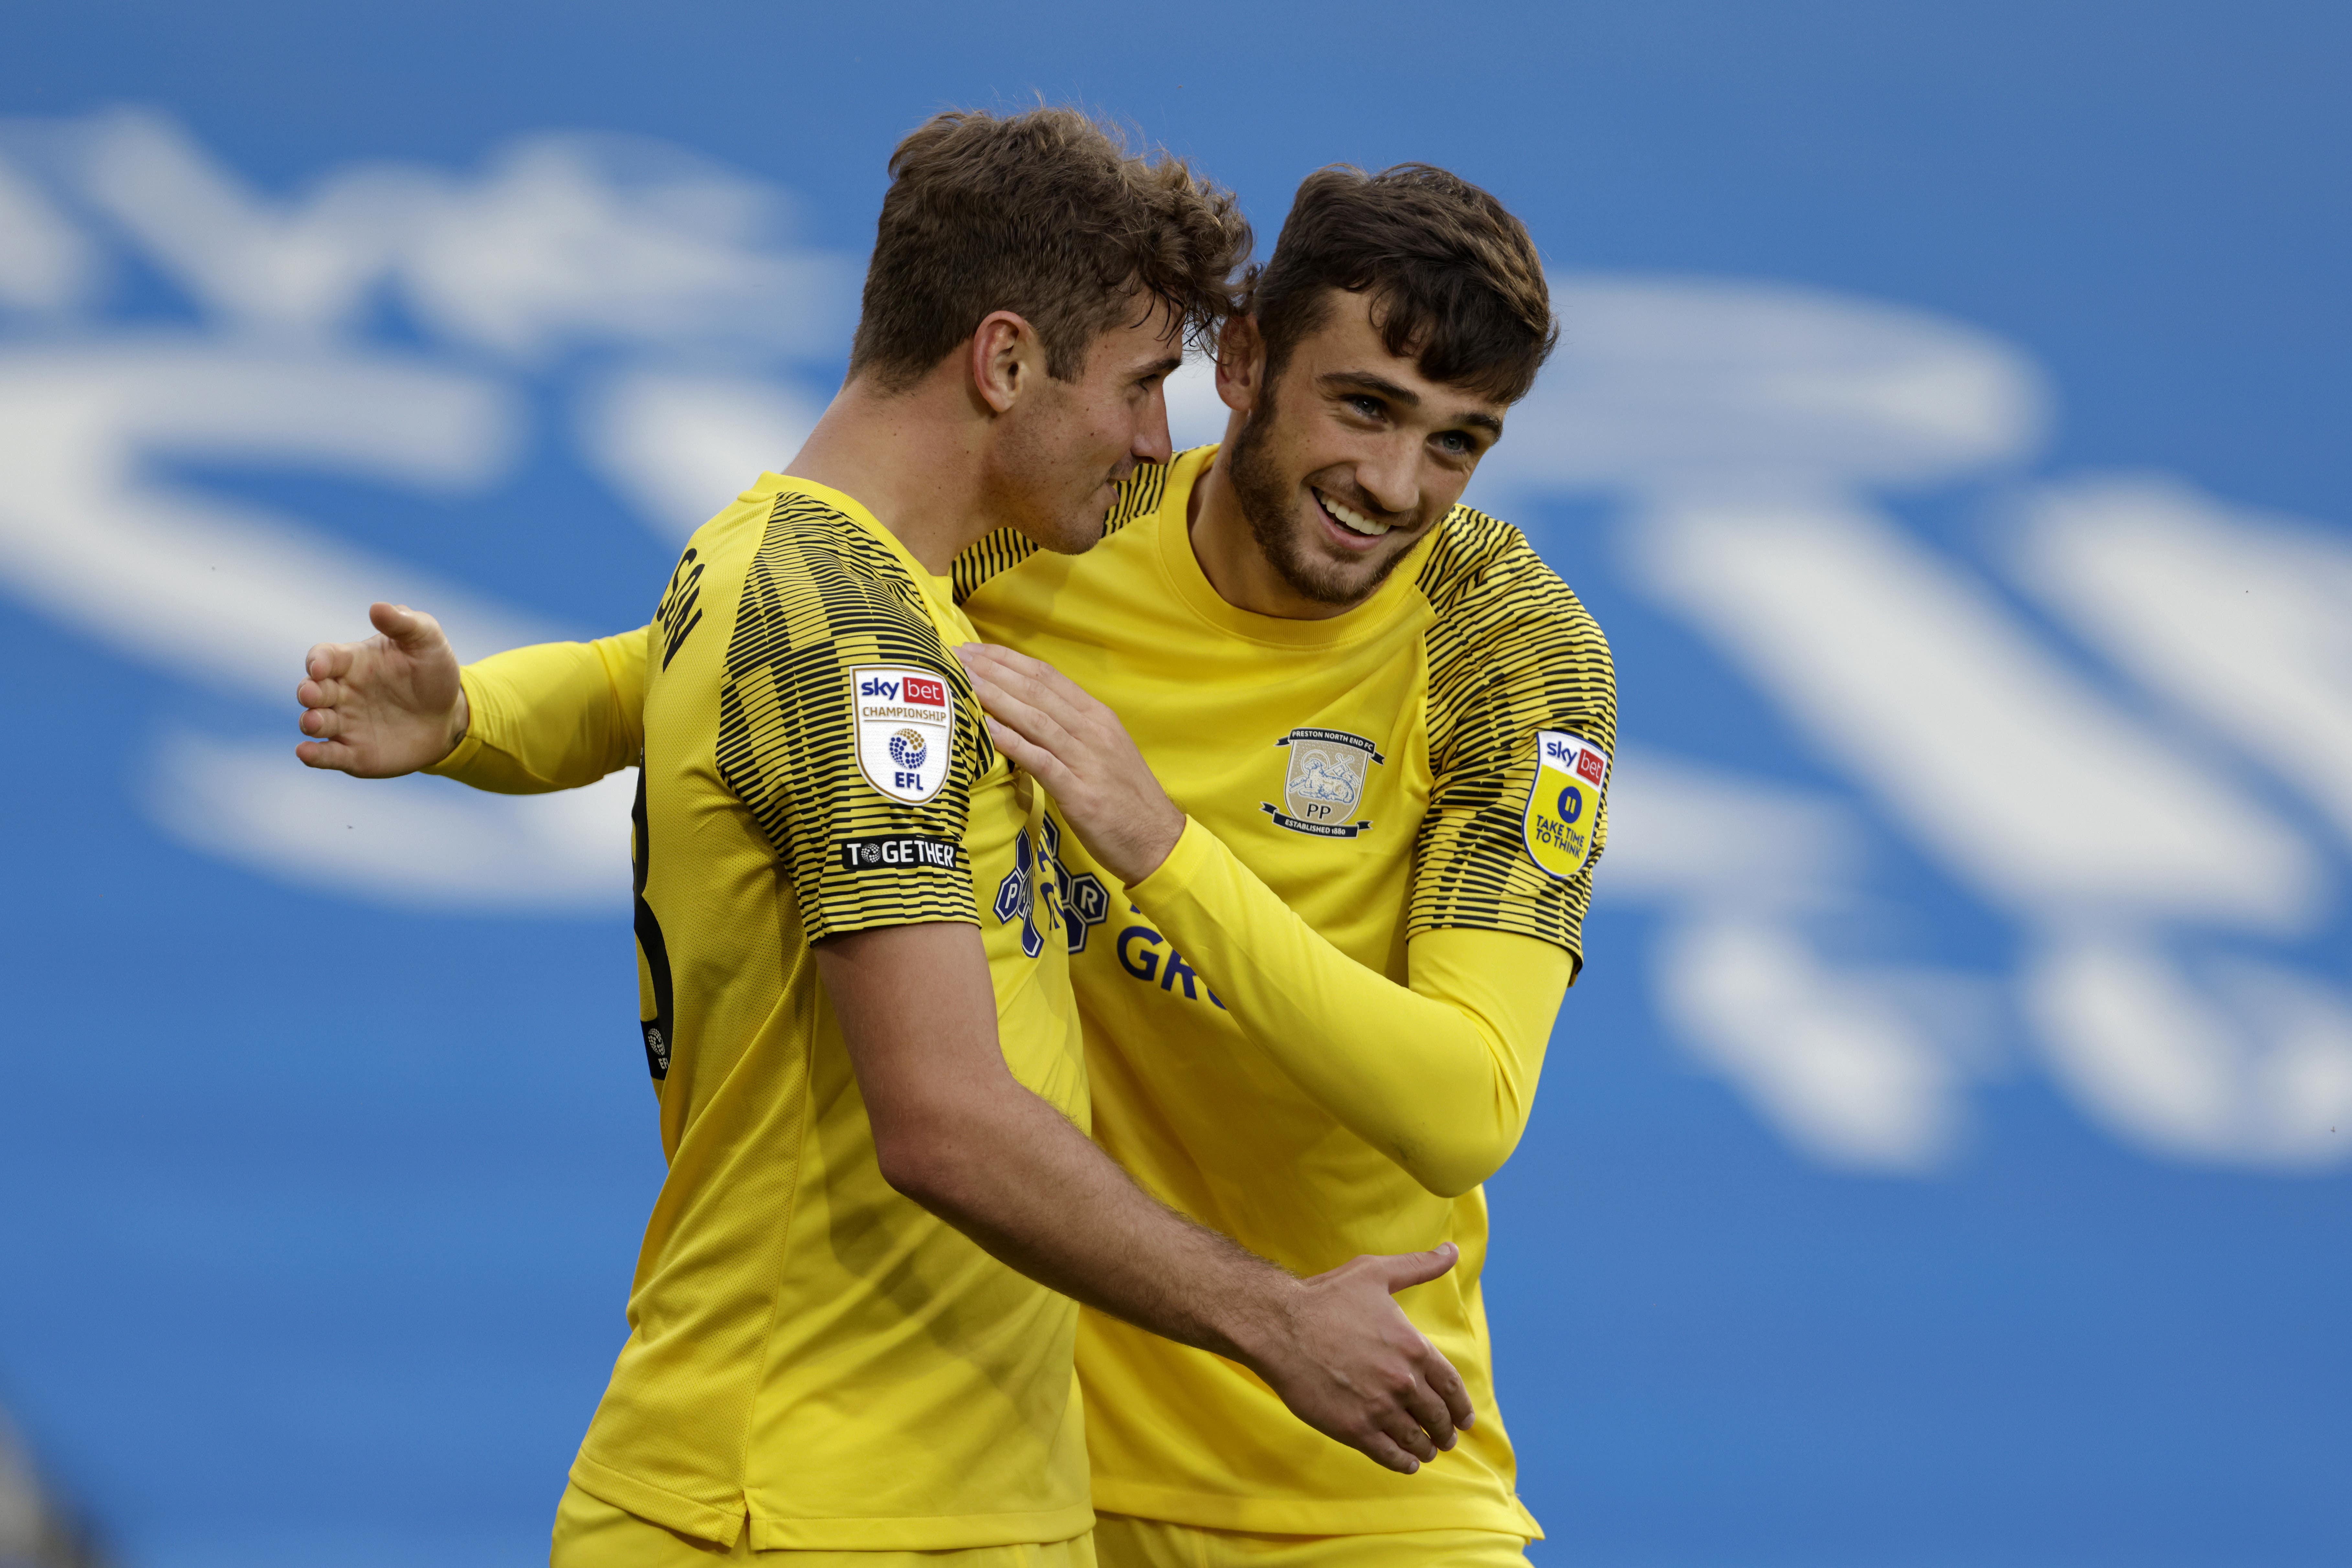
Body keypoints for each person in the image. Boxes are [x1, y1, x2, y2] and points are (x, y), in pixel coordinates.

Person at [304, 161, 1612, 1568]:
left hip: (1351, 1475)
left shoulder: (1511, 648)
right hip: (1027, 1459)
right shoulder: (1059, 527)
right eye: (1364, 407)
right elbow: (748, 657)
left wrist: (1161, 851)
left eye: (1458, 443)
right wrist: (474, 719)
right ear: (1241, 362)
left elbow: (1466, 1104)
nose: (1395, 485)